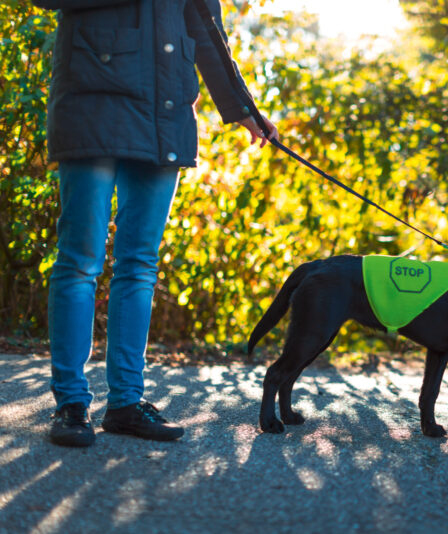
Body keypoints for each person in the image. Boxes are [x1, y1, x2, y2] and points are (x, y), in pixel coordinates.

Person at [32, 0, 278, 447]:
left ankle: (126, 403)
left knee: (140, 264)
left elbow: (205, 27)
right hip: (93, 102)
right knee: (80, 260)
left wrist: (242, 105)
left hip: (165, 112)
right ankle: (70, 404)